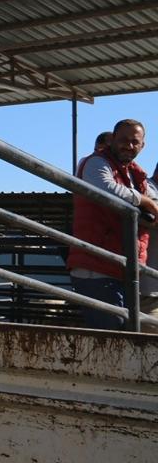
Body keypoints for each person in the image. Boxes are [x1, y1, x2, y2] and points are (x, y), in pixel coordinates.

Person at [67, 119, 158, 330]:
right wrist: (146, 203)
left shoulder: (134, 174)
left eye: (135, 142)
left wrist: (148, 206)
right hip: (97, 267)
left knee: (123, 336)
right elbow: (106, 188)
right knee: (113, 336)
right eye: (124, 140)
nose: (129, 145)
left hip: (122, 268)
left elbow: (149, 201)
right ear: (112, 140)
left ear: (142, 145)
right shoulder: (96, 163)